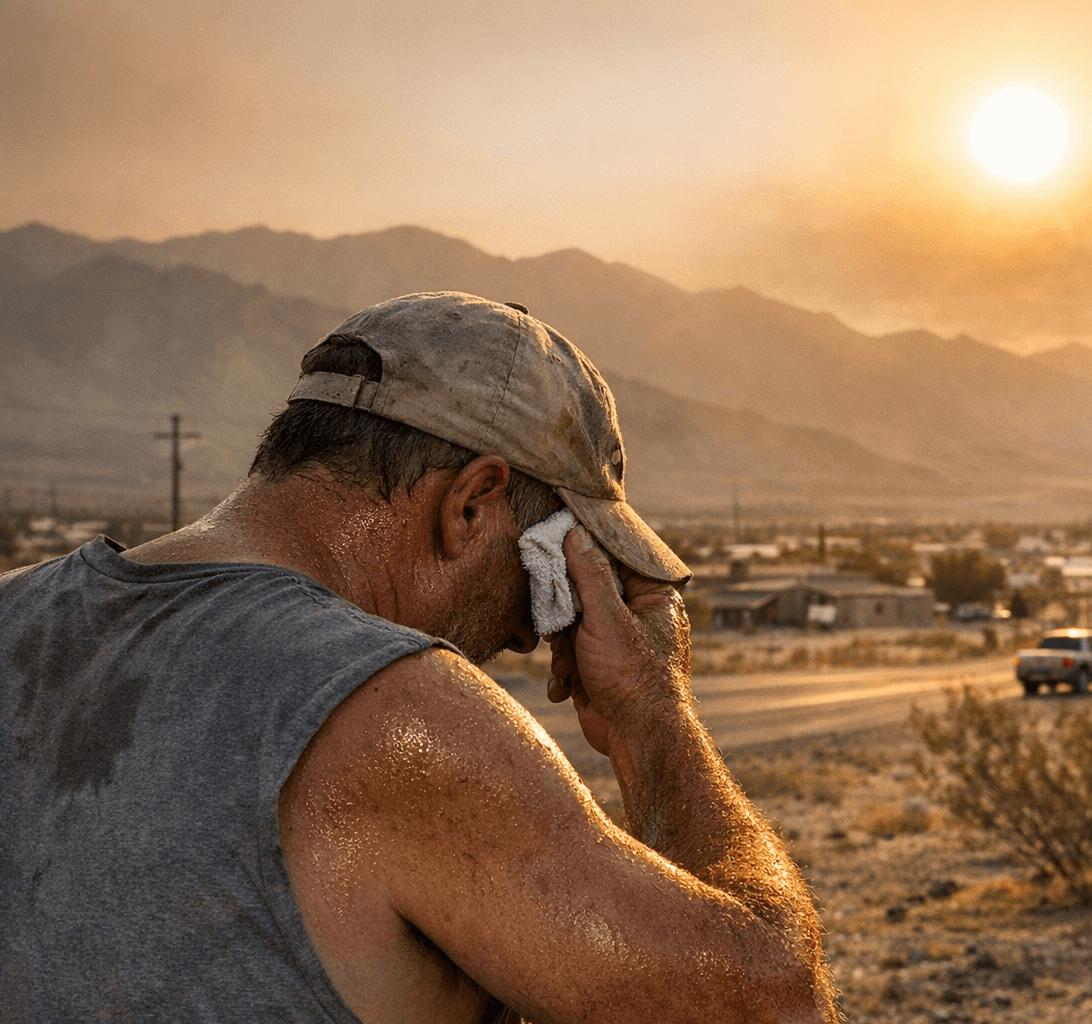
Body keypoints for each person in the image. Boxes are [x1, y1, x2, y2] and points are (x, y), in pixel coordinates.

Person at [0, 293, 839, 1023]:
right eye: (536, 577)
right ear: (471, 503)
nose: (527, 635)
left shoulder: (14, 609)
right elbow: (778, 1008)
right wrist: (654, 715)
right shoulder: (396, 716)